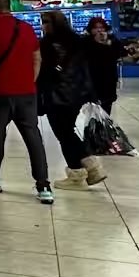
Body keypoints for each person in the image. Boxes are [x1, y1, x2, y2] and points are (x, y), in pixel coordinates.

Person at [0, 0, 53, 203]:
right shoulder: (26, 28)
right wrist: (28, 82)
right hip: (26, 94)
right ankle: (43, 185)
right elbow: (37, 59)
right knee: (33, 137)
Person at [39, 12, 107, 189]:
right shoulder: (78, 41)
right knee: (70, 132)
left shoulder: (47, 44)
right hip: (79, 95)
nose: (42, 26)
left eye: (45, 22)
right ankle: (91, 167)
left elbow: (43, 72)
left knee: (64, 135)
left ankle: (78, 173)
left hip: (57, 96)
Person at [85, 18, 121, 114]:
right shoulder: (86, 41)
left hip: (108, 78)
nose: (99, 30)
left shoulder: (112, 40)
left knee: (106, 108)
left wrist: (107, 44)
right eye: (96, 28)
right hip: (91, 79)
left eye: (101, 27)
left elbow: (119, 53)